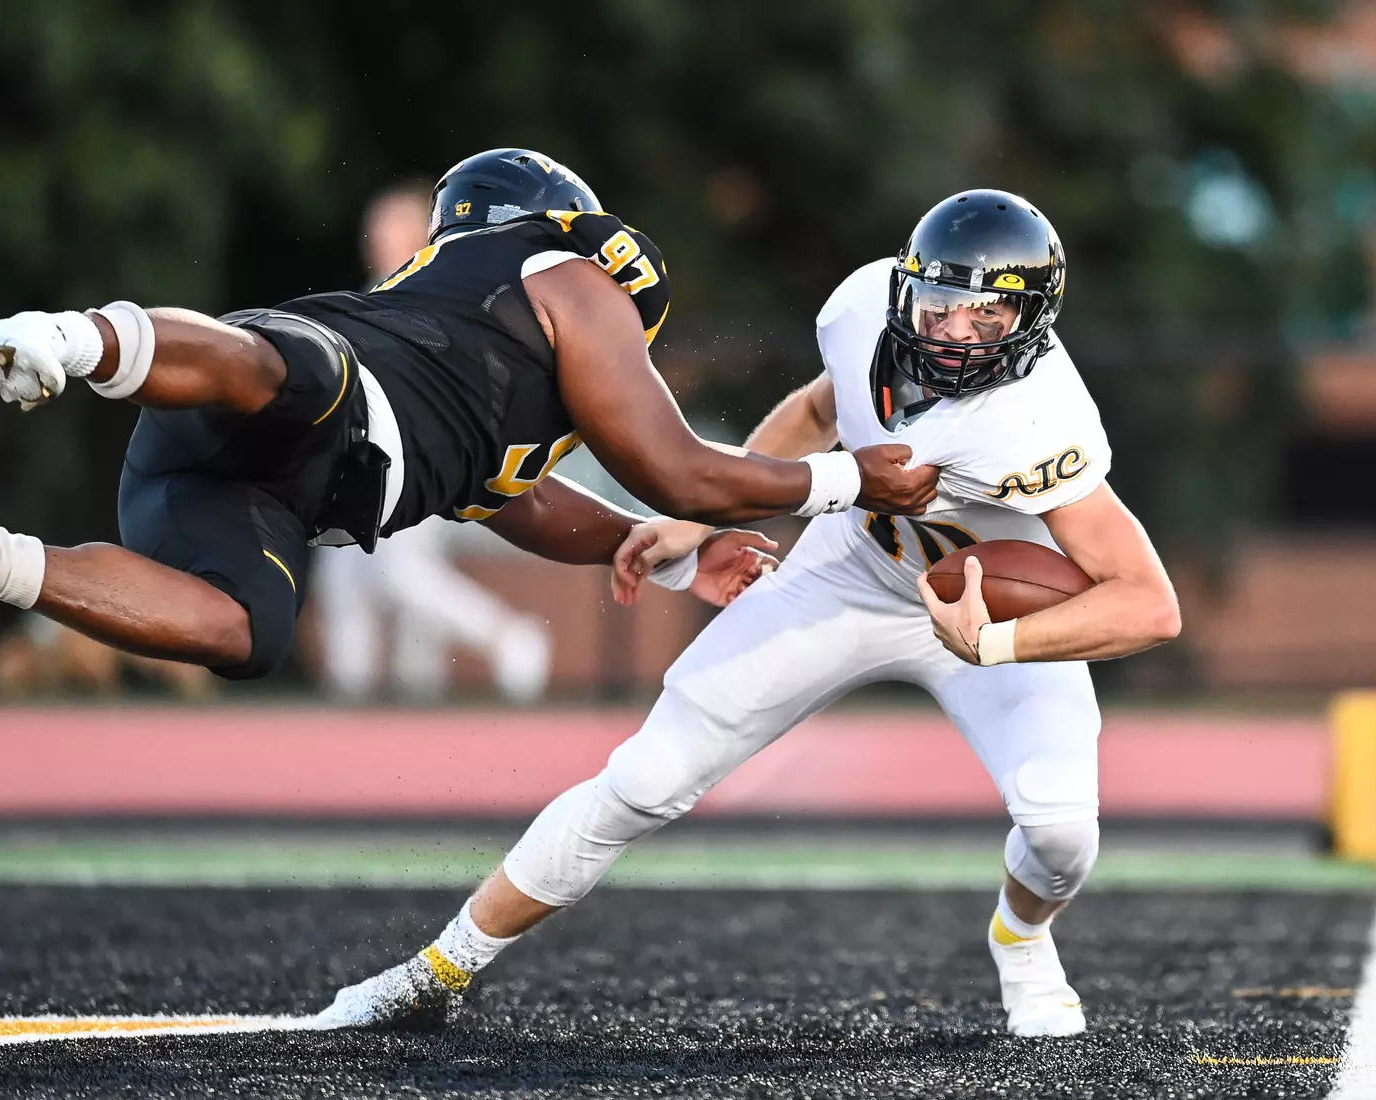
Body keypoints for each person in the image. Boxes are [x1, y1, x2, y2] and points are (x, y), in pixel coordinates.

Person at [315, 190, 1181, 1039]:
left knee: (1062, 834)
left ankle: (1022, 942)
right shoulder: (859, 311)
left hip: (980, 609)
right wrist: (706, 516)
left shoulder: (1041, 422)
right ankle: (440, 967)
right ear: (909, 284)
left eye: (984, 318)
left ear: (1028, 324)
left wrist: (1001, 639)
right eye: (941, 302)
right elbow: (814, 412)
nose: (952, 330)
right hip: (855, 567)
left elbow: (1149, 604)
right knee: (645, 776)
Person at [0, 149, 939, 682]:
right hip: (317, 389)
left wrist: (660, 552)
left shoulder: (507, 413)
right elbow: (683, 470)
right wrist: (847, 478)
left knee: (245, 630)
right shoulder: (565, 270)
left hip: (247, 478)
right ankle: (70, 336)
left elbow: (517, 498)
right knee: (300, 375)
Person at [315, 183, 550, 703]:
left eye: (389, 226)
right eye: (373, 228)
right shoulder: (374, 291)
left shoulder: (435, 293)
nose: (374, 238)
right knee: (343, 585)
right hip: (354, 468)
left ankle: (507, 635)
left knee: (405, 578)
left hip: (414, 466)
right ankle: (348, 705)